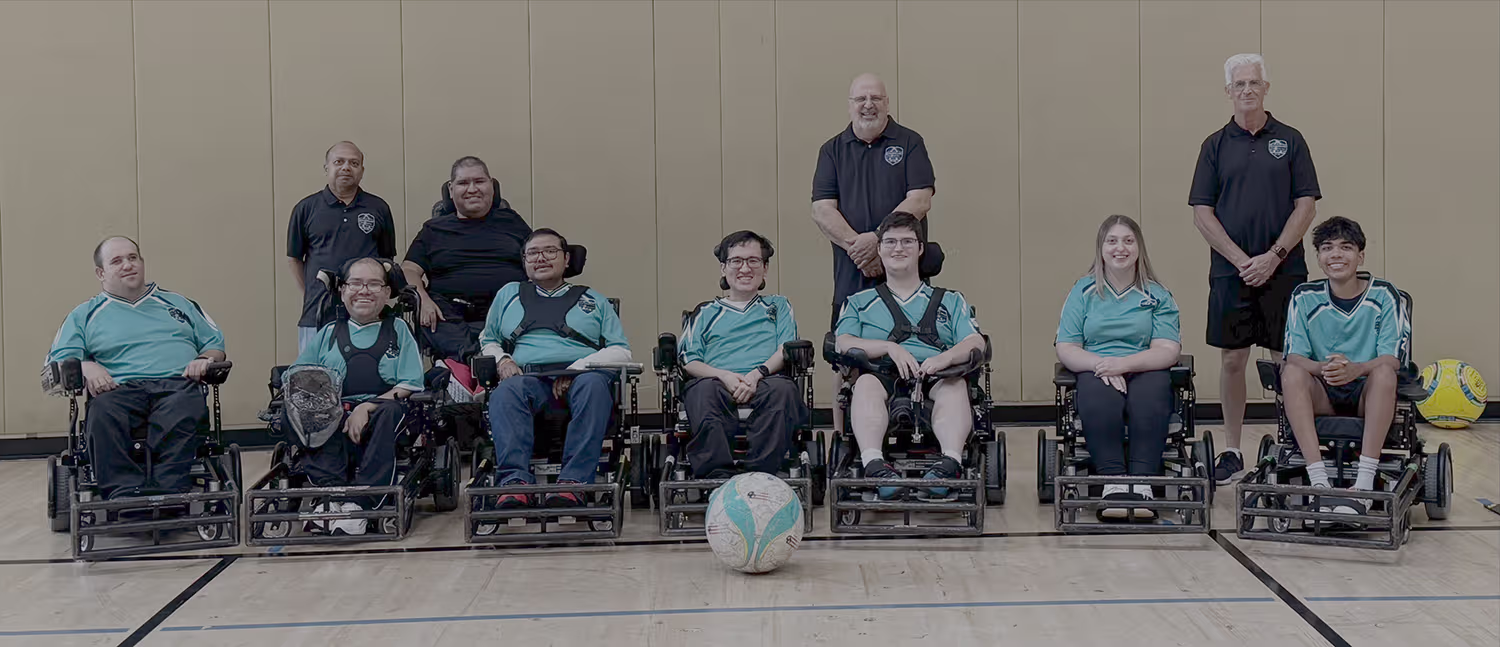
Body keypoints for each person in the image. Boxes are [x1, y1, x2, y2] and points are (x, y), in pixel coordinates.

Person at [1190, 54, 1320, 485]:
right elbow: (1203, 214)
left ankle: (1292, 444)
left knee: (1288, 361)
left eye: (1254, 83)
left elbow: (1306, 204)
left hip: (1284, 270)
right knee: (1233, 359)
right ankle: (1231, 450)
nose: (1247, 90)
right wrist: (1242, 261)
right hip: (1232, 272)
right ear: (1228, 92)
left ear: (1266, 88)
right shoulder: (1214, 145)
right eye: (1239, 84)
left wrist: (1274, 256)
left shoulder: (1291, 140)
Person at [44, 237, 227, 500]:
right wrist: (87, 366)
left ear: (142, 262)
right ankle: (124, 495)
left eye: (133, 258)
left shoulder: (179, 304)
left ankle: (170, 493)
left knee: (186, 409)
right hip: (117, 389)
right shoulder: (84, 314)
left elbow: (214, 345)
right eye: (117, 261)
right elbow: (60, 359)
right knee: (103, 413)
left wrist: (205, 360)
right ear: (100, 272)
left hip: (177, 384)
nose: (128, 265)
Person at [813, 73, 936, 435]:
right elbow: (822, 210)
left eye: (876, 98)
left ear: (887, 103)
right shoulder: (831, 150)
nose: (868, 104)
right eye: (860, 98)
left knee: (912, 345)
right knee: (844, 356)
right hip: (852, 269)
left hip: (903, 265)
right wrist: (860, 247)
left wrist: (879, 242)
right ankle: (842, 439)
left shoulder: (910, 142)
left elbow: (920, 199)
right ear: (850, 104)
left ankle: (916, 430)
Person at [478, 229, 631, 508]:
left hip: (581, 379)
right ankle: (514, 482)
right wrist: (503, 360)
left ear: (567, 258)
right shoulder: (509, 294)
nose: (541, 258)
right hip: (528, 378)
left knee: (595, 386)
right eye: (533, 253)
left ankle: (574, 482)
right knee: (505, 392)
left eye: (550, 251)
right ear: (524, 261)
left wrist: (578, 369)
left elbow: (621, 350)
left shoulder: (593, 300)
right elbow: (488, 339)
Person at [834, 212, 984, 499]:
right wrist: (890, 347)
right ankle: (875, 465)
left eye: (906, 241)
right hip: (881, 374)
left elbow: (974, 340)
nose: (898, 248)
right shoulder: (858, 302)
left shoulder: (951, 300)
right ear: (879, 249)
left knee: (955, 386)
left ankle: (949, 463)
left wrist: (946, 358)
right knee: (863, 385)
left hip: (936, 374)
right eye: (890, 242)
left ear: (920, 248)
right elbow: (844, 342)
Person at [282, 258, 425, 535]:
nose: (364, 290)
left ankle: (361, 504)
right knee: (298, 411)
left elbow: (410, 383)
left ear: (386, 293)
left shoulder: (398, 331)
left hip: (382, 408)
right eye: (355, 283)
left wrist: (367, 407)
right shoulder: (328, 333)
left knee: (391, 412)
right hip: (333, 411)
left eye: (374, 284)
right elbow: (300, 376)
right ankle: (333, 497)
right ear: (343, 291)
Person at [1055, 216, 1183, 520]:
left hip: (1143, 364)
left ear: (1139, 248)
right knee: (1099, 398)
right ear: (1101, 248)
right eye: (1112, 241)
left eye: (1128, 240)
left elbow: (1167, 350)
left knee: (1150, 396)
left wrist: (1121, 365)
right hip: (1096, 367)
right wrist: (1102, 366)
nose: (1120, 248)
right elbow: (1067, 347)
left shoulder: (1157, 294)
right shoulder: (1082, 291)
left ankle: (1142, 484)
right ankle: (1113, 483)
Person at [1280, 217, 1405, 516]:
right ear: (1319, 258)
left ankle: (1362, 487)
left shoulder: (1385, 295)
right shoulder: (1304, 296)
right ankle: (1319, 482)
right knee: (1291, 372)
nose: (1336, 255)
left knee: (1385, 373)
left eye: (1345, 248)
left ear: (1360, 256)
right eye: (1327, 248)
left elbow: (1392, 358)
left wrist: (1356, 369)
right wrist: (1325, 368)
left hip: (1366, 391)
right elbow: (1295, 356)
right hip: (1322, 388)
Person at [678, 231, 808, 479]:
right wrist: (725, 376)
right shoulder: (704, 312)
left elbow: (786, 347)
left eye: (753, 261)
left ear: (765, 269)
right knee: (703, 393)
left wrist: (756, 375)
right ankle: (716, 476)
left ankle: (761, 475)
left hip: (767, 378)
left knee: (783, 391)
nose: (745, 268)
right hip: (714, 379)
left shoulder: (778, 306)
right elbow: (689, 360)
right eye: (736, 261)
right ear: (723, 268)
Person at [404, 156, 531, 363]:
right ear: (451, 190)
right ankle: (479, 361)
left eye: (479, 181)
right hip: (450, 314)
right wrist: (423, 299)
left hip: (505, 311)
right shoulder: (433, 229)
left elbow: (535, 258)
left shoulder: (513, 222)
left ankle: (474, 366)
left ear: (492, 186)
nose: (472, 189)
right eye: (463, 183)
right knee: (432, 317)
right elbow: (409, 269)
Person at [287, 141, 397, 352]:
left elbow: (386, 260)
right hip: (317, 314)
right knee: (314, 379)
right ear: (327, 167)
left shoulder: (379, 208)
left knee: (367, 375)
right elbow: (294, 259)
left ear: (362, 171)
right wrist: (311, 291)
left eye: (354, 163)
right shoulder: (305, 209)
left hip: (368, 313)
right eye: (339, 161)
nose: (346, 167)